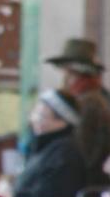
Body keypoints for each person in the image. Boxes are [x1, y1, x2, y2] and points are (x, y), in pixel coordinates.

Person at [45, 38, 110, 186]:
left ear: (85, 78)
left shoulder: (91, 104)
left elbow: (86, 153)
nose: (65, 80)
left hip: (85, 185)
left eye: (70, 74)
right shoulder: (93, 101)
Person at [12, 89, 86, 197]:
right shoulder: (43, 146)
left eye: (43, 116)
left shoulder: (65, 153)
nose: (35, 120)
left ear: (63, 121)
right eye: (35, 113)